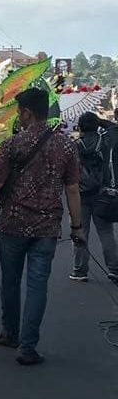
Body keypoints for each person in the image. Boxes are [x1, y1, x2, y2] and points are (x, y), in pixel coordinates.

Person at [0, 88, 85, 366]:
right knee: (38, 286)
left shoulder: (12, 144)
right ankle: (28, 346)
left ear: (26, 112)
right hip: (47, 227)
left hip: (14, 224)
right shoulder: (66, 146)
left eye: (19, 111)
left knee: (10, 282)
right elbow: (73, 189)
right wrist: (77, 227)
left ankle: (9, 333)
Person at [69, 111, 118, 282]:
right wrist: (101, 122)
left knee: (80, 232)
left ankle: (79, 271)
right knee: (106, 232)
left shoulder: (74, 145)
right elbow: (114, 128)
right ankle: (114, 269)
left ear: (80, 127)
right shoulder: (105, 142)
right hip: (102, 194)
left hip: (80, 194)